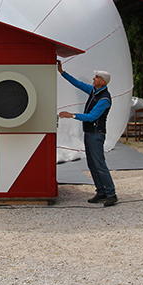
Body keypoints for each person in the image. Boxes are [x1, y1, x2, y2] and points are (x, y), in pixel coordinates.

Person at [57, 61, 117, 207]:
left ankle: (111, 193)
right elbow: (78, 84)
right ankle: (101, 191)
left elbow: (92, 116)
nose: (93, 79)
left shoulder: (104, 99)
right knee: (92, 163)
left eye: (96, 78)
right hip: (90, 133)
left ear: (102, 82)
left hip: (96, 135)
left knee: (99, 164)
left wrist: (71, 115)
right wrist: (62, 72)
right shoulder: (94, 91)